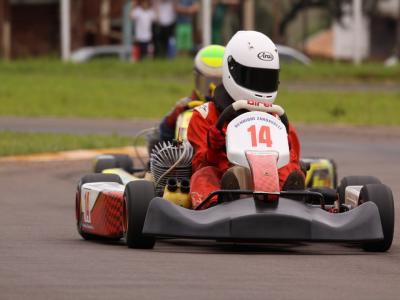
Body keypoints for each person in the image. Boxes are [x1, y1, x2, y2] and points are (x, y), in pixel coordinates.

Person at [187, 31, 305, 209]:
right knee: (203, 175)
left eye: (266, 79)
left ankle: (291, 202)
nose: (259, 85)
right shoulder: (205, 115)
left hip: (268, 181)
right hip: (224, 177)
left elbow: (293, 160)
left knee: (291, 170)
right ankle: (216, 205)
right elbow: (199, 165)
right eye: (252, 77)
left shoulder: (277, 119)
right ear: (231, 71)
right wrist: (213, 147)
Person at [159, 44, 225, 142]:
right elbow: (164, 133)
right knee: (155, 138)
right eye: (207, 82)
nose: (212, 89)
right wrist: (174, 116)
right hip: (185, 154)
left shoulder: (235, 109)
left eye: (218, 83)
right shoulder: (185, 106)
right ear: (197, 79)